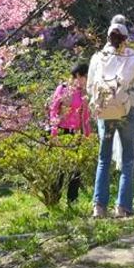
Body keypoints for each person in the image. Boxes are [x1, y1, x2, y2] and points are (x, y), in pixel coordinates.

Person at [88, 14, 134, 218]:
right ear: (126, 37)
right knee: (128, 158)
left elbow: (90, 87)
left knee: (103, 158)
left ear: (108, 37)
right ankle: (122, 207)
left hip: (104, 112)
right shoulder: (133, 57)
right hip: (126, 110)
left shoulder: (97, 57)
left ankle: (99, 206)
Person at [48, 61, 93, 205]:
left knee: (76, 168)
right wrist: (54, 133)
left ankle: (72, 201)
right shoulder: (63, 89)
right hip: (62, 130)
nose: (86, 81)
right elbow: (53, 110)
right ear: (78, 76)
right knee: (60, 168)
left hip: (77, 132)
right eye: (86, 77)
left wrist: (88, 136)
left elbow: (86, 116)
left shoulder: (84, 93)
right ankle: (54, 200)